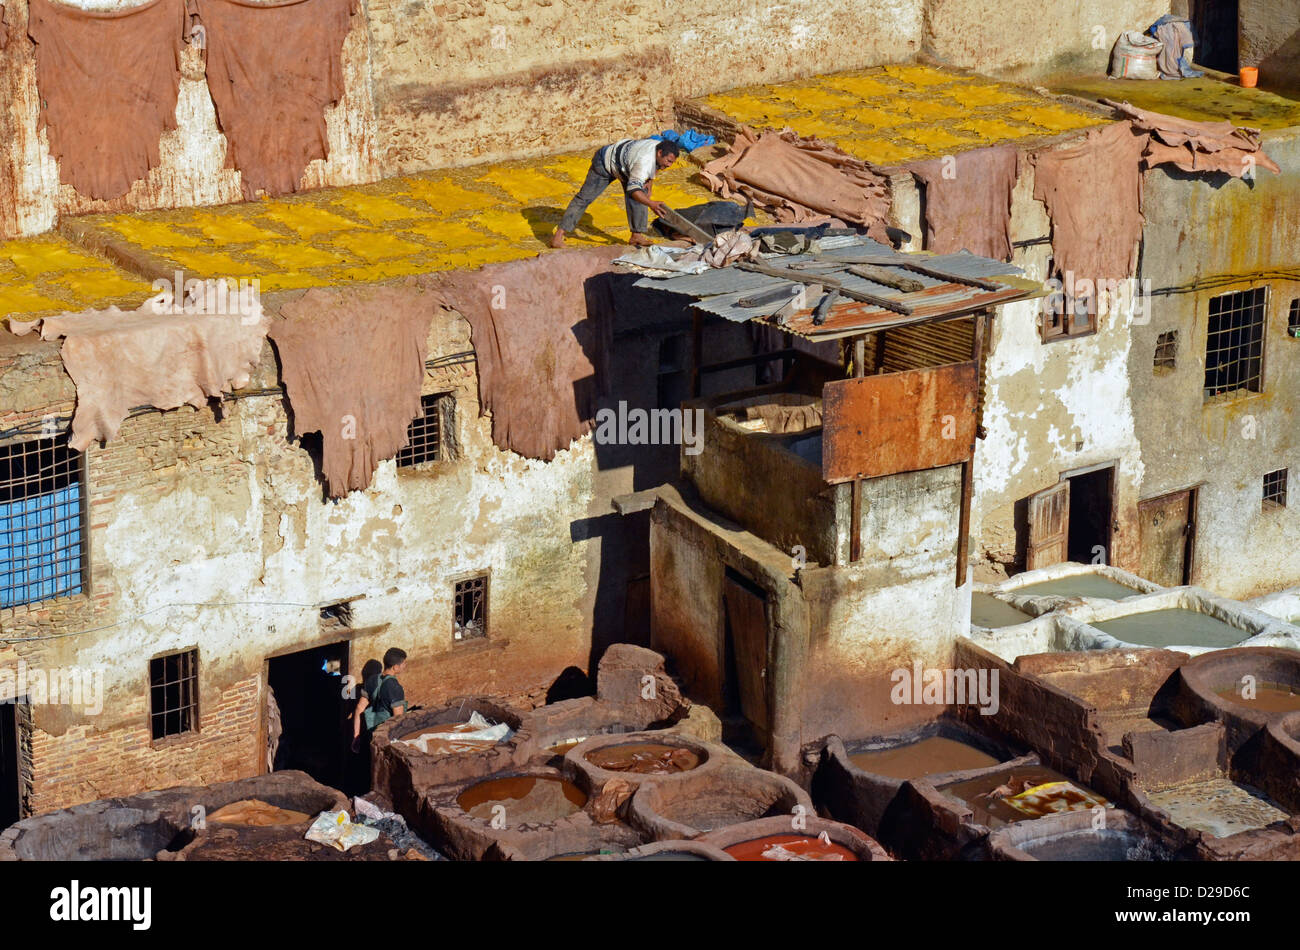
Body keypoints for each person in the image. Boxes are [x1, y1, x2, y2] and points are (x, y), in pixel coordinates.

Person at [551, 138, 681, 248]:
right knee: (584, 198)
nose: (669, 165)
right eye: (669, 161)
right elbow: (633, 190)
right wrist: (651, 204)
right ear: (659, 153)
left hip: (625, 167)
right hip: (604, 163)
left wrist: (650, 181)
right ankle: (558, 236)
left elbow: (658, 166)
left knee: (643, 193)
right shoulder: (644, 162)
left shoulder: (658, 146)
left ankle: (636, 236)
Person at [351, 648, 407, 753]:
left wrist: (356, 736)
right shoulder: (395, 688)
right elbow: (399, 719)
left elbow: (359, 708)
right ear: (395, 667)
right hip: (386, 738)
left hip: (371, 732)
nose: (405, 666)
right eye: (404, 663)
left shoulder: (371, 680)